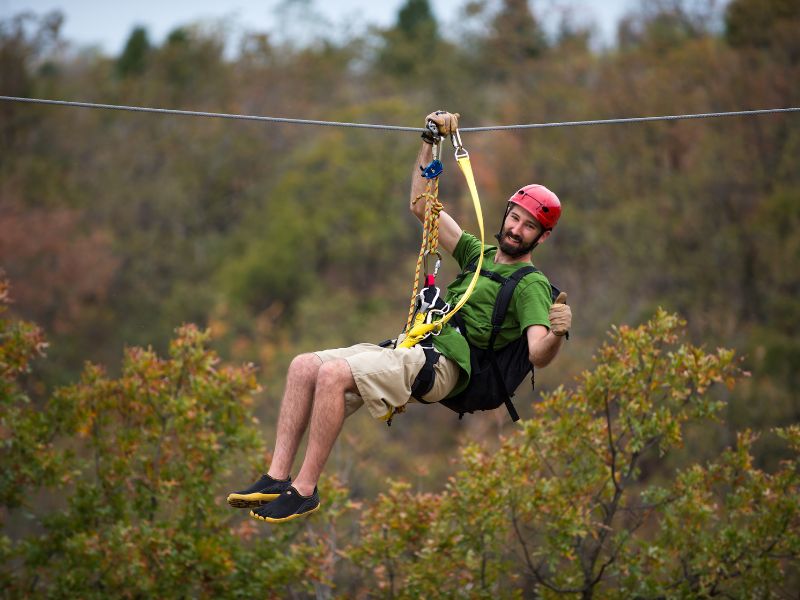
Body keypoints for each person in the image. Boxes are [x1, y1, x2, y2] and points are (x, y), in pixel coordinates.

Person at [226, 111, 572, 523]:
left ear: (542, 237)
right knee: (304, 367)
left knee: (334, 375)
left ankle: (304, 489)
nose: (516, 229)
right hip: (417, 345)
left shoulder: (530, 284)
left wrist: (556, 332)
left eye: (528, 226)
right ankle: (276, 477)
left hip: (449, 365)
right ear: (507, 213)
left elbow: (537, 353)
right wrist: (428, 141)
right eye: (515, 217)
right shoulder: (477, 254)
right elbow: (421, 205)